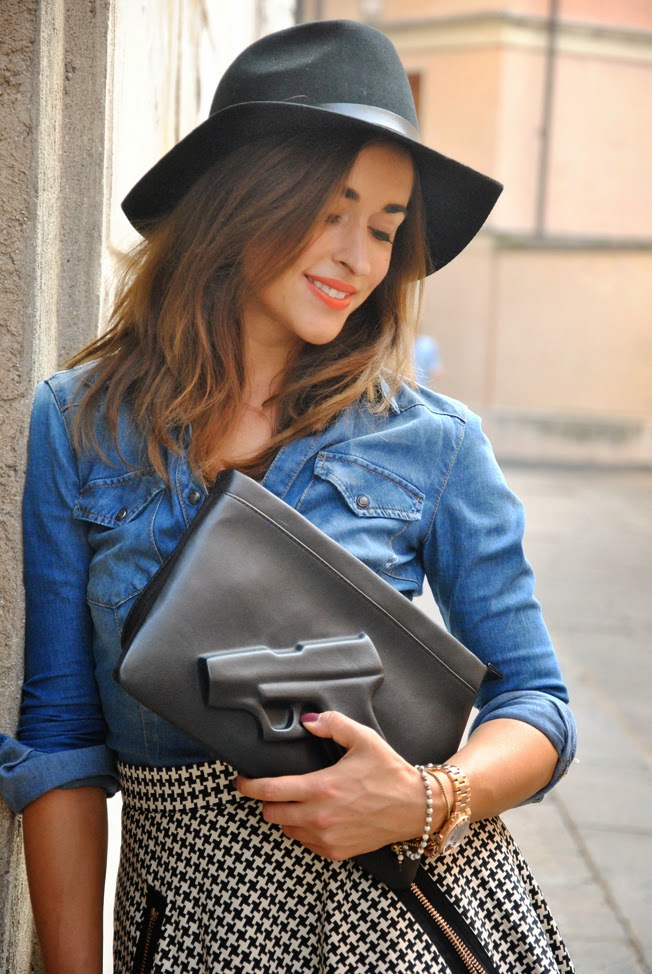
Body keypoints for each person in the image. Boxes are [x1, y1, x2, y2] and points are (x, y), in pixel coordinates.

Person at [0, 20, 576, 974]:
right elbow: (60, 734)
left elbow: (539, 702)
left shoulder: (434, 441)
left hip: (398, 919)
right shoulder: (79, 422)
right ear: (245, 197)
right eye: (332, 211)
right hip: (184, 923)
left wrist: (426, 799)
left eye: (385, 228)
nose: (359, 258)